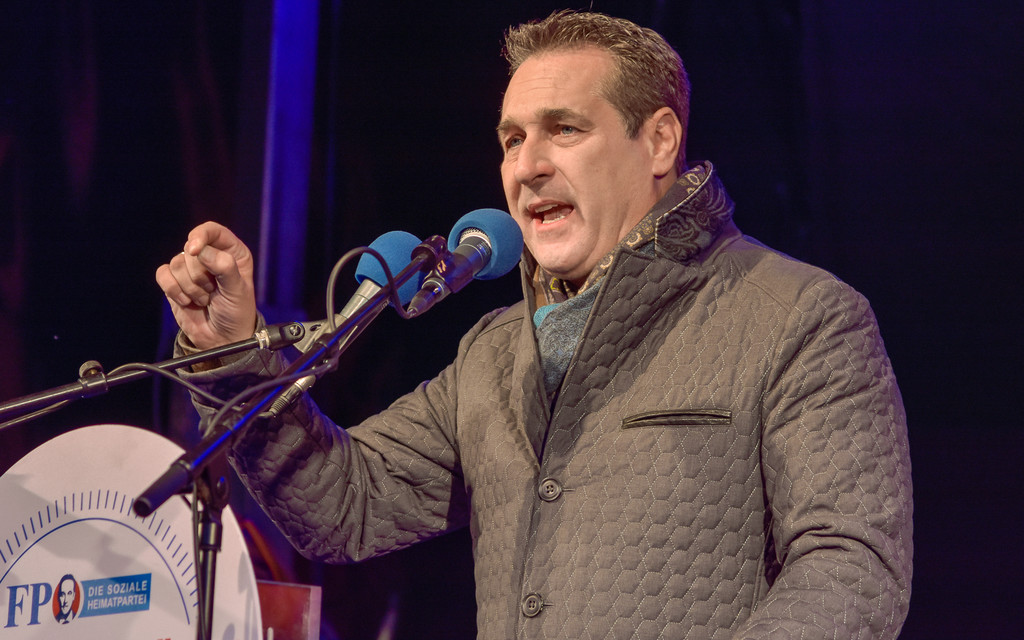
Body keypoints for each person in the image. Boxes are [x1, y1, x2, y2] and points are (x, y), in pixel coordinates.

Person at [157, 10, 912, 639]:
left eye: (564, 130)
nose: (526, 167)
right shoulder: (494, 353)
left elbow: (851, 573)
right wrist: (229, 350)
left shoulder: (799, 318)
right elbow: (344, 506)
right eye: (513, 139)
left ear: (658, 141)